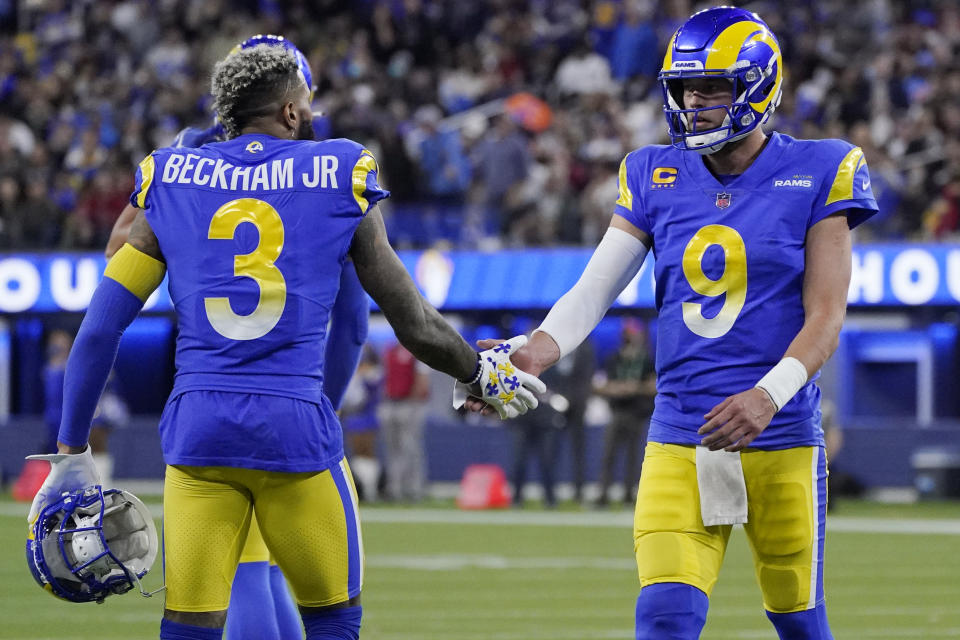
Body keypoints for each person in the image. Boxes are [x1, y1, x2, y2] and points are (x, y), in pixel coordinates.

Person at [28, 44, 543, 640]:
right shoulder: (338, 172)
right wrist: (477, 372)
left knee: (189, 628)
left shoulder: (171, 173)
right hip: (295, 434)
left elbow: (99, 328)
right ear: (292, 112)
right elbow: (410, 318)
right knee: (333, 624)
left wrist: (71, 450)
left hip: (199, 435)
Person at [469, 7, 878, 638]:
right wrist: (533, 352)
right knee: (664, 616)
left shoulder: (823, 166)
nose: (696, 102)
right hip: (681, 432)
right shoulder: (652, 171)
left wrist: (766, 398)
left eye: (714, 88)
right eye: (688, 88)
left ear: (758, 87)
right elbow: (596, 287)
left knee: (798, 620)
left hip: (781, 433)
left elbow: (827, 316)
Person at [101, 35, 367, 640]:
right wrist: (318, 402)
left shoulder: (184, 157)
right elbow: (352, 321)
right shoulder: (330, 169)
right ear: (292, 103)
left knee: (251, 578)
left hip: (210, 397)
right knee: (285, 588)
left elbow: (118, 254)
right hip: (290, 408)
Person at [593, 320, 655, 507]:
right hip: (617, 411)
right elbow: (599, 385)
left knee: (633, 456)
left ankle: (630, 494)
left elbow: (654, 385)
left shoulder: (646, 359)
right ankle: (603, 494)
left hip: (637, 412)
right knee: (609, 455)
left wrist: (635, 387)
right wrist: (617, 388)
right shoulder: (614, 358)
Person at [379, 340, 431, 502]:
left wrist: (413, 404)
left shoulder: (418, 352)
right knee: (393, 448)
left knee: (411, 447)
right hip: (391, 403)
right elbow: (385, 377)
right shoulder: (389, 350)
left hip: (409, 404)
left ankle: (414, 488)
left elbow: (422, 381)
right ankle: (394, 487)